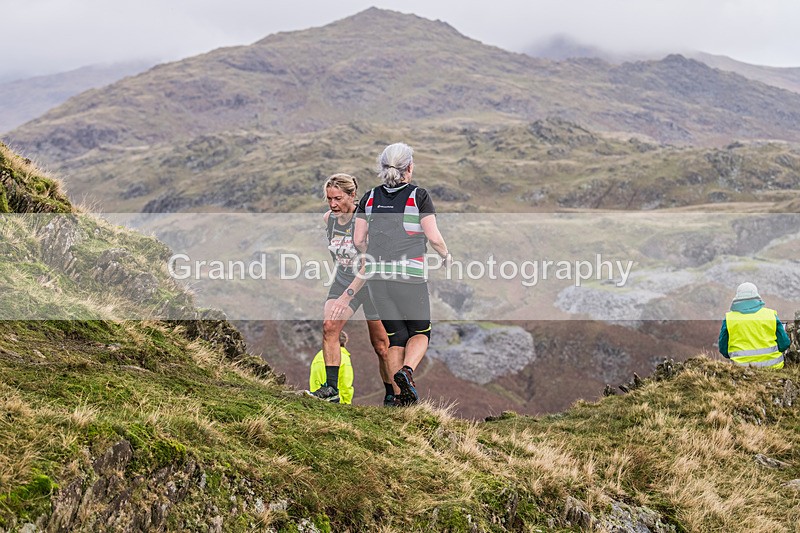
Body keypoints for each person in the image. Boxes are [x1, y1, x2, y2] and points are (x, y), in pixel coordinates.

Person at [354, 143, 450, 406]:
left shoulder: (369, 197)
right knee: (421, 332)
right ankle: (407, 372)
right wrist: (445, 256)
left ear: (383, 168)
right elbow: (433, 237)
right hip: (409, 276)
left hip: (376, 279)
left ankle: (399, 400)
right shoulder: (418, 196)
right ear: (409, 167)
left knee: (396, 337)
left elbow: (359, 239)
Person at [305, 173, 391, 405]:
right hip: (343, 280)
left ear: (352, 196)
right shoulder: (329, 220)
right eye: (329, 198)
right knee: (329, 326)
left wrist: (346, 297)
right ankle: (331, 389)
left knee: (382, 346)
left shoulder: (363, 221)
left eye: (338, 198)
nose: (333, 204)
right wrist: (342, 292)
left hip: (371, 284)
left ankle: (393, 396)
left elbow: (368, 264)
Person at [718, 282, 790, 369]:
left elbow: (723, 349)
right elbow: (784, 344)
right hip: (774, 367)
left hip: (741, 369)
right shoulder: (770, 315)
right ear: (757, 296)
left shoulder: (729, 318)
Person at [309, 331, 354, 404]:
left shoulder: (318, 356)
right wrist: (346, 402)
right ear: (344, 342)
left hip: (316, 398)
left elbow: (314, 378)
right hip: (336, 401)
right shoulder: (344, 358)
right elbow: (346, 383)